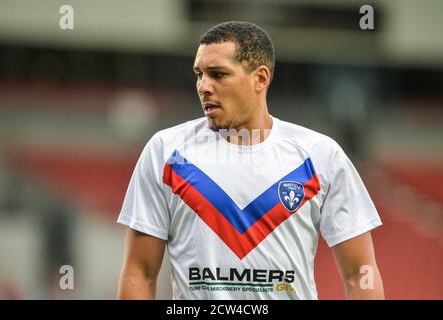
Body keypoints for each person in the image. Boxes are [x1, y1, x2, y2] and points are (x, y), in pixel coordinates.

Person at [117, 21, 384, 300]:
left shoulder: (320, 156)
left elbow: (360, 274)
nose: (203, 86)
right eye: (199, 74)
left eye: (218, 74)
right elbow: (139, 273)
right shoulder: (166, 151)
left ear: (260, 78)